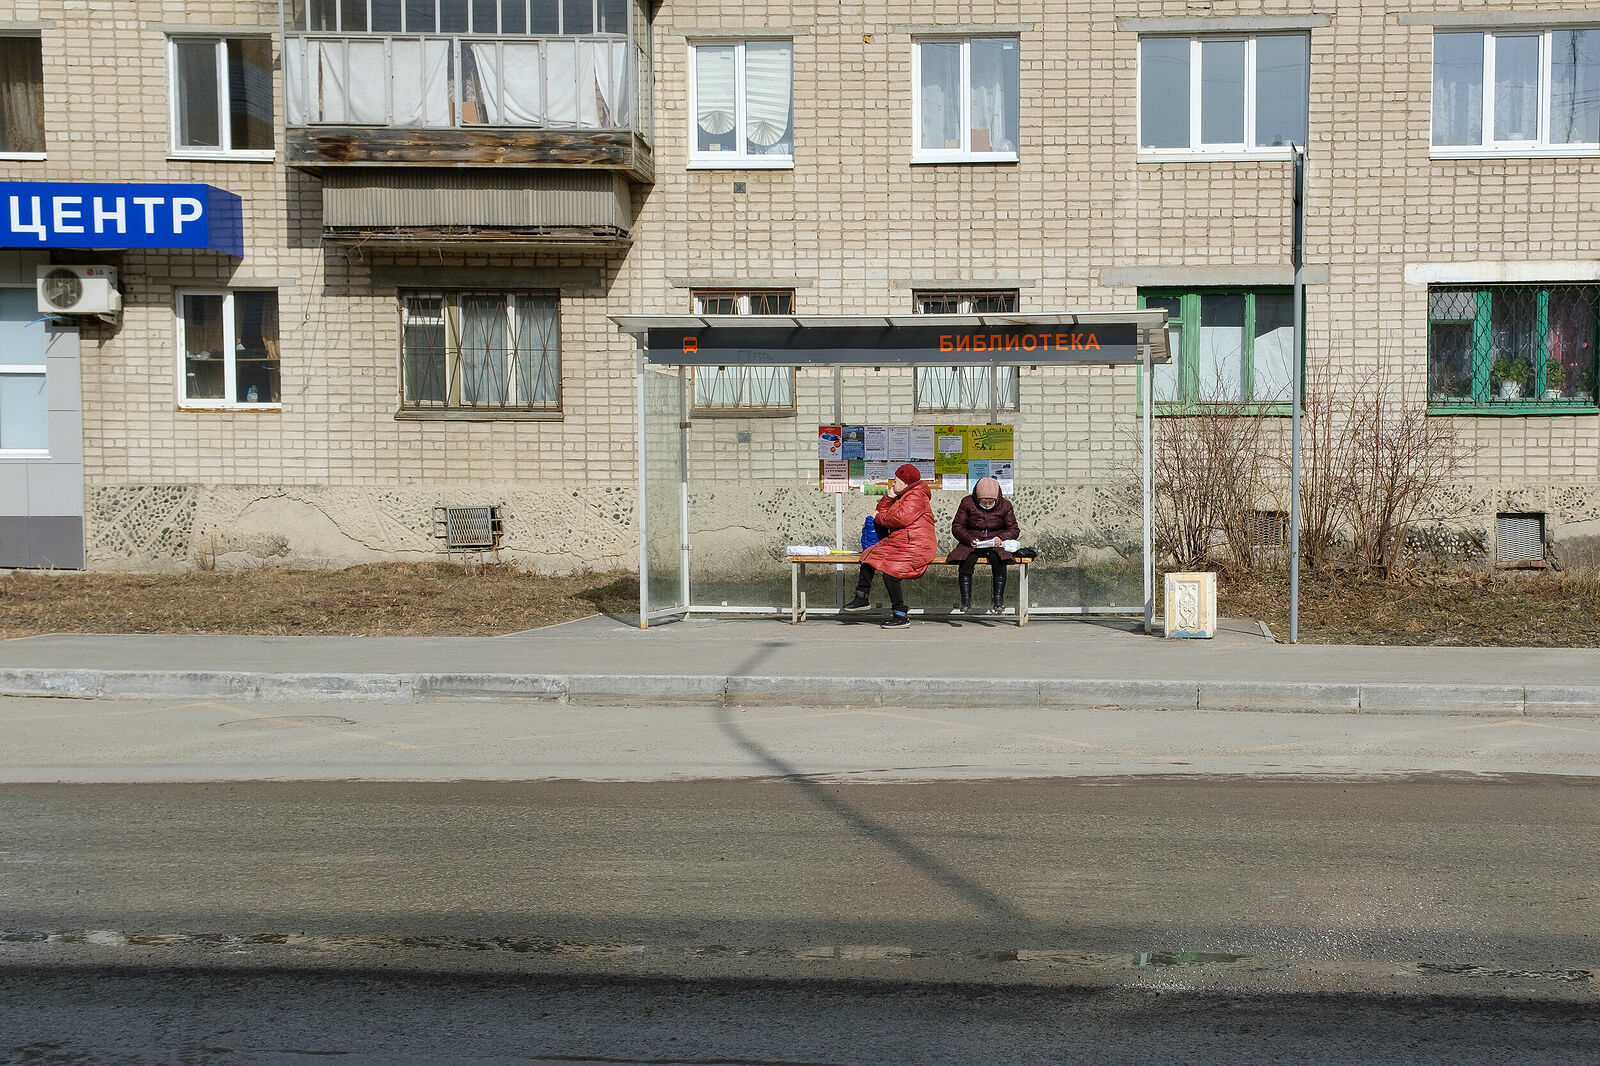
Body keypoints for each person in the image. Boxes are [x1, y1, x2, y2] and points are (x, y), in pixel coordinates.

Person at [843, 463, 937, 629]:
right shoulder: (904, 496)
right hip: (903, 542)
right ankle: (862, 597)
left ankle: (900, 616)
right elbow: (882, 510)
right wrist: (889, 496)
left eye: (896, 480)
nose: (893, 483)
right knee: (869, 556)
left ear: (905, 482)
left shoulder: (916, 495)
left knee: (891, 573)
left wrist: (878, 517)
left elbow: (900, 518)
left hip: (917, 545)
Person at [947, 476, 1020, 614]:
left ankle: (998, 600)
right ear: (977, 497)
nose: (987, 504)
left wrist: (1001, 538)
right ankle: (966, 600)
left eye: (990, 501)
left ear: (996, 498)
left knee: (999, 560)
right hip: (972, 542)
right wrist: (969, 539)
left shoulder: (1005, 505)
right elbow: (957, 526)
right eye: (984, 501)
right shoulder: (967, 503)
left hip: (995, 543)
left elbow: (1013, 529)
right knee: (966, 560)